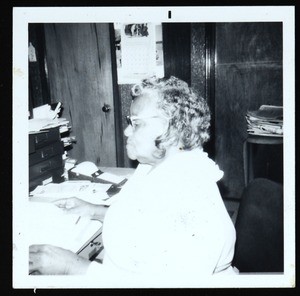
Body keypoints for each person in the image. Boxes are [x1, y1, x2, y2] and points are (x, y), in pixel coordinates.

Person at [29, 76, 237, 285]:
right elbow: (148, 219)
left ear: (172, 129)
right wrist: (94, 210)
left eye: (136, 123)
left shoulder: (191, 196)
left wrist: (71, 267)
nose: (127, 131)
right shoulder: (155, 166)